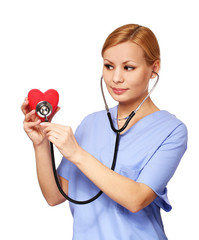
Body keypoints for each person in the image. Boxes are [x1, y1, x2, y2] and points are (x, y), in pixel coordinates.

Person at [21, 24, 187, 240]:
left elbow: (136, 199)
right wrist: (41, 143)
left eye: (128, 67)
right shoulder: (91, 123)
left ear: (154, 68)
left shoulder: (172, 131)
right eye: (109, 66)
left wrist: (77, 153)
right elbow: (55, 196)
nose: (116, 78)